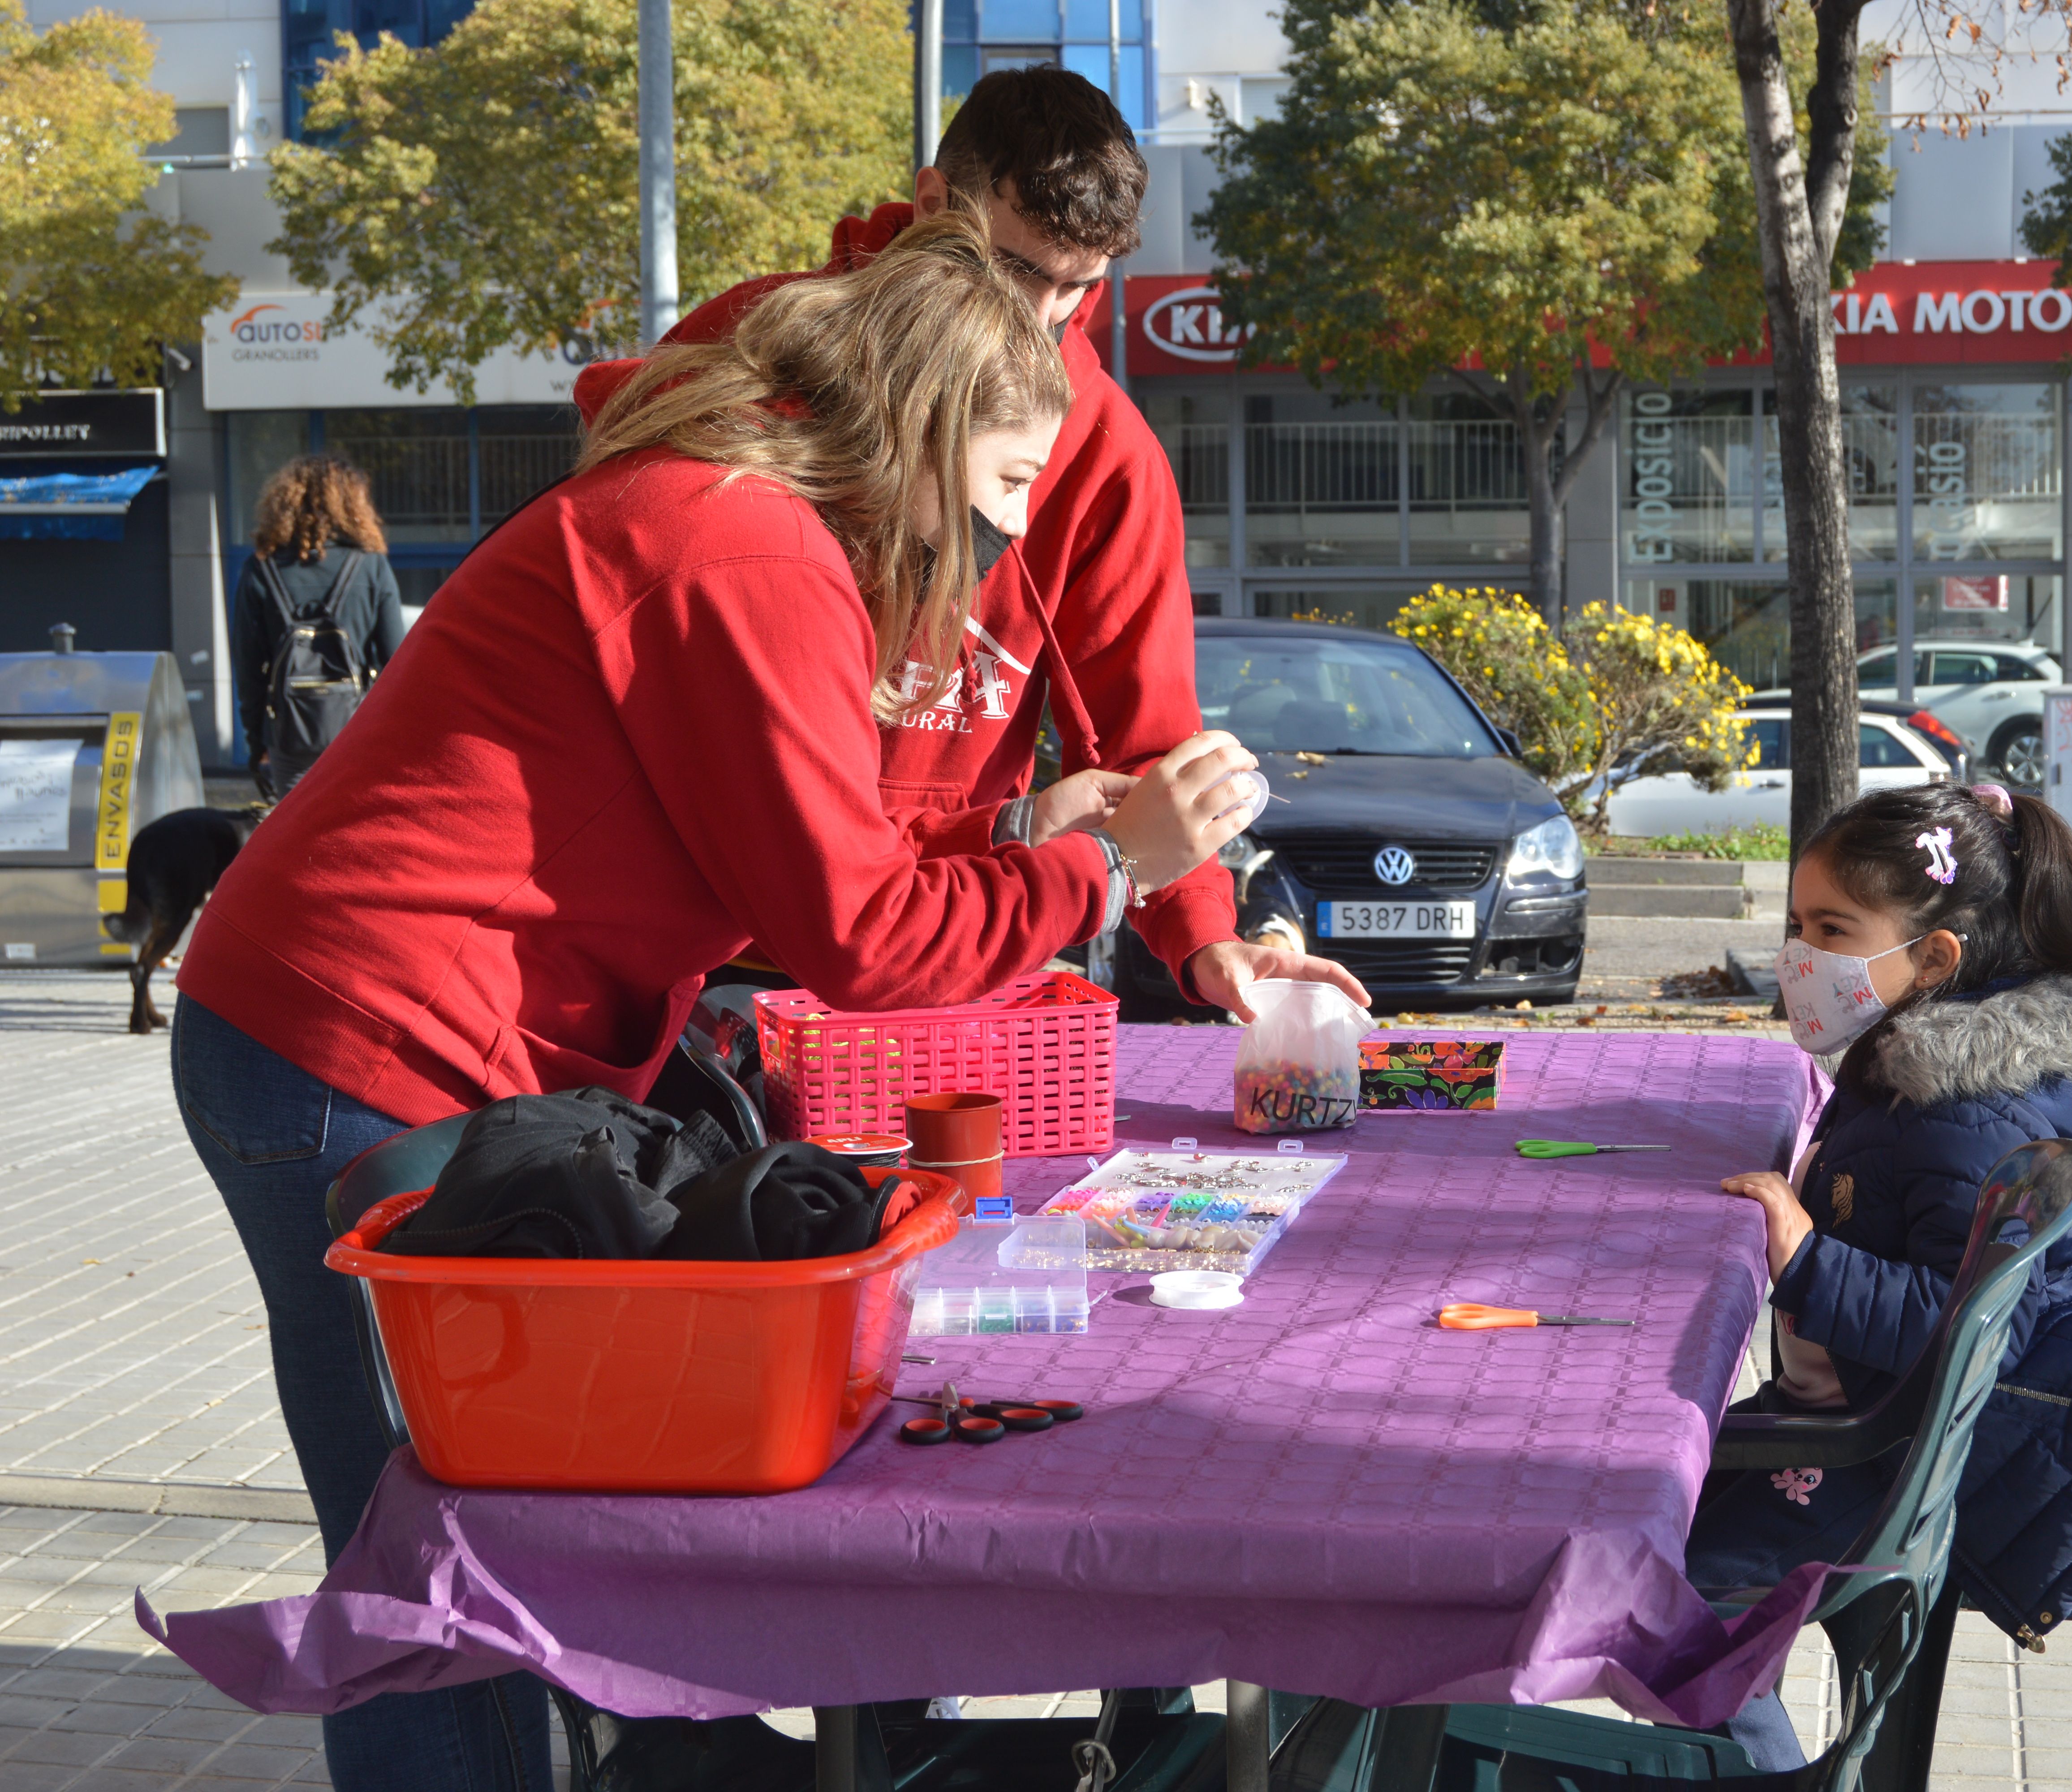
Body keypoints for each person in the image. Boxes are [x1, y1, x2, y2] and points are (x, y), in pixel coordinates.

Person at [171, 213, 1306, 1792]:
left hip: (428, 1039)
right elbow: (858, 935)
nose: (1014, 540)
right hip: (353, 1041)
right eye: (1006, 493)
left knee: (487, 1531)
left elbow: (812, 857)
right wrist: (1111, 865)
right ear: (917, 434)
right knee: (436, 1556)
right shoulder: (743, 546)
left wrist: (1033, 846)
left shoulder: (751, 524)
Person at [570, 66, 1347, 1023]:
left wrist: (1203, 935)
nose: (1042, 316)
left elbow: (1142, 733)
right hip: (704, 941)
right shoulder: (760, 345)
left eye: (1081, 287)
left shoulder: (1106, 449)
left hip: (938, 934)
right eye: (1020, 269)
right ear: (934, 201)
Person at [1687, 783, 2072, 1770]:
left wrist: (1804, 1257)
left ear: (1935, 958)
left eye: (1831, 928)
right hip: (1860, 1418)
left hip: (1908, 1456)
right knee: (1633, 1493)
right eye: (1794, 923)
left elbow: (1956, 1330)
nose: (1798, 954)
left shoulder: (1965, 1113)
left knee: (1678, 1597)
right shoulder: (1910, 1062)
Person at [236, 453, 407, 797]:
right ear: (354, 504)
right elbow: (397, 663)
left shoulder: (261, 570)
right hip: (357, 733)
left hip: (290, 736)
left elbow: (249, 668)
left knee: (298, 842)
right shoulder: (371, 567)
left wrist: (258, 741)